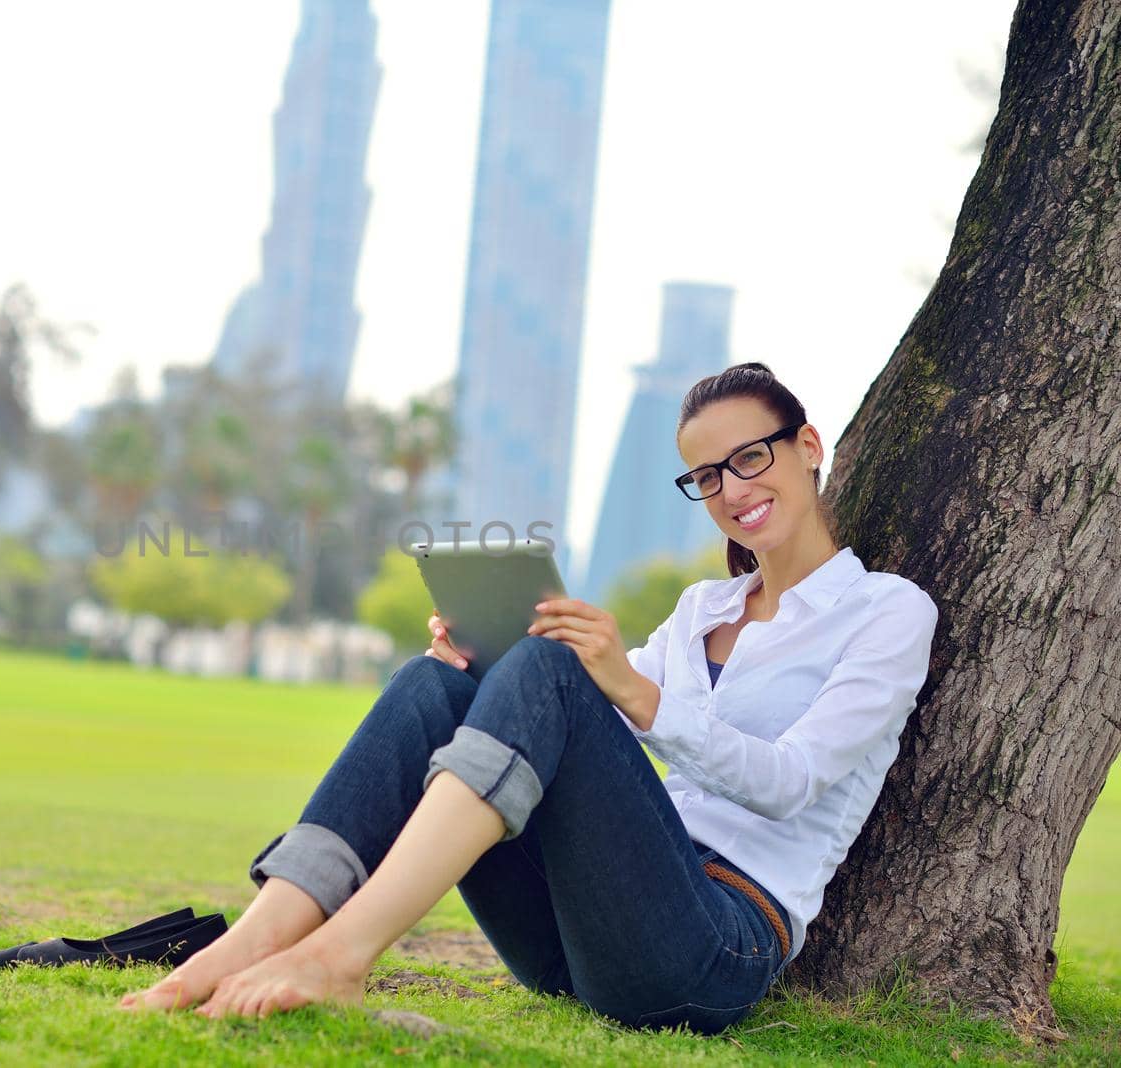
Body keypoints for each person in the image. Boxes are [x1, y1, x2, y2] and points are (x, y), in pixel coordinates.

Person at [118, 362, 940, 1033]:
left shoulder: (886, 613)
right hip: (570, 940)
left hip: (707, 950)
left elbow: (790, 781)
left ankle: (340, 955)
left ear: (807, 446)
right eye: (706, 475)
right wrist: (482, 660)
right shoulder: (703, 609)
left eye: (750, 458)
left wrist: (629, 687)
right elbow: (566, 710)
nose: (730, 490)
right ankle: (254, 939)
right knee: (436, 681)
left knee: (554, 673)